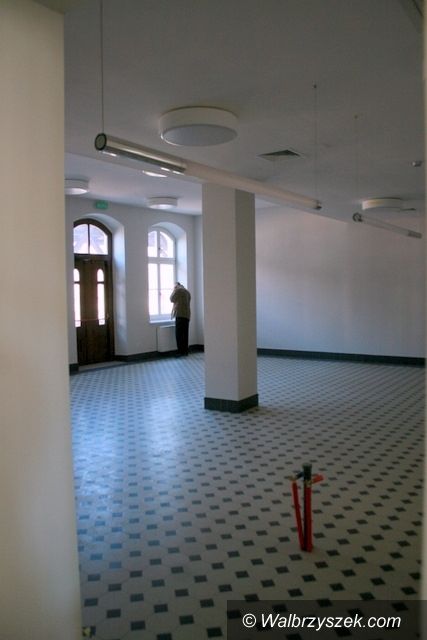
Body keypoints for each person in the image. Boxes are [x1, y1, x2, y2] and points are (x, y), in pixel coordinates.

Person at [170, 282, 191, 356]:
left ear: (176, 285)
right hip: (187, 315)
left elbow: (171, 299)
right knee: (185, 334)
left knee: (179, 334)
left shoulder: (177, 290)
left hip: (179, 314)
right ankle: (185, 351)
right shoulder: (187, 292)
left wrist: (174, 290)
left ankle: (180, 352)